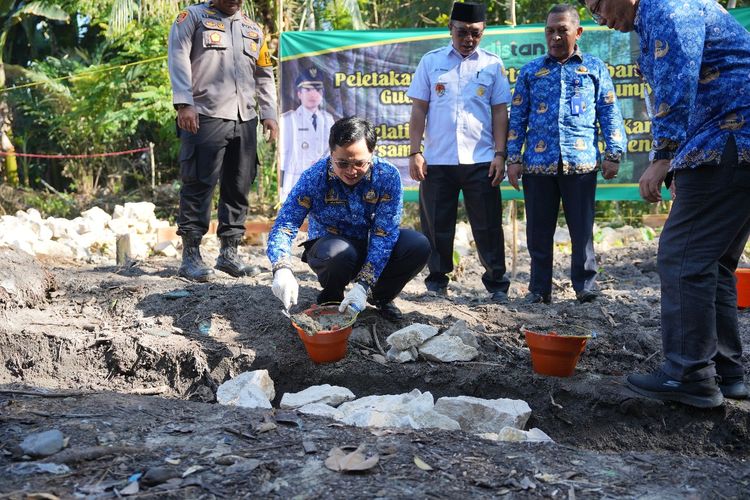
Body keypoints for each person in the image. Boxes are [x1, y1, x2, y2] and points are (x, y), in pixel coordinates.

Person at [581, 0, 750, 407]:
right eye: (591, 12)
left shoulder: (669, 9)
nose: (600, 18)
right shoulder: (663, 13)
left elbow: (678, 80)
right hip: (729, 144)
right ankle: (727, 373)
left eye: (600, 4)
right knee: (713, 262)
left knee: (682, 257)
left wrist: (664, 156)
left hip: (727, 140)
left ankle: (688, 373)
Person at [506, 4, 626, 305]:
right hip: (538, 165)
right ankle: (538, 289)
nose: (556, 36)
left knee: (582, 231)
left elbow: (609, 112)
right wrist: (513, 158)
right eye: (550, 30)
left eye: (563, 30)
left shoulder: (595, 68)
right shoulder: (531, 71)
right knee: (538, 233)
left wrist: (614, 152)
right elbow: (517, 117)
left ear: (578, 32)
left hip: (581, 164)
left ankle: (585, 286)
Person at [267, 117, 431, 322]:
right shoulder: (314, 177)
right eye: (342, 163)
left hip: (372, 246)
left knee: (417, 245)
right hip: (330, 250)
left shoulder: (387, 176)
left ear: (372, 153)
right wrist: (281, 267)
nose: (351, 172)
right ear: (331, 154)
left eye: (359, 163)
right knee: (338, 254)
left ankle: (379, 296)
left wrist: (363, 284)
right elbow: (285, 224)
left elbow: (384, 233)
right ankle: (331, 297)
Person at [406, 1, 512, 304]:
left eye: (475, 33)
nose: (468, 39)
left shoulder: (492, 64)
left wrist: (500, 154)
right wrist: (416, 152)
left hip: (481, 159)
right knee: (436, 226)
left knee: (488, 225)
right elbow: (419, 110)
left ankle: (496, 284)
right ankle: (437, 282)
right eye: (462, 32)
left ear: (484, 32)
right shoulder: (431, 62)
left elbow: (500, 112)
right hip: (437, 160)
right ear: (450, 29)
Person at [168, 0, 278, 282]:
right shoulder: (191, 17)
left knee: (239, 185)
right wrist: (184, 103)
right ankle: (190, 256)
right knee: (198, 183)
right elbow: (178, 57)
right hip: (204, 115)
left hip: (245, 118)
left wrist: (269, 114)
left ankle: (229, 254)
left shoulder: (253, 29)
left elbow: (264, 74)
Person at [280, 66, 336, 202]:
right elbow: (283, 157)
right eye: (308, 89)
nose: (313, 94)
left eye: (317, 90)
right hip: (296, 181)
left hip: (323, 182)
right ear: (299, 93)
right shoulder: (288, 120)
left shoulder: (328, 119)